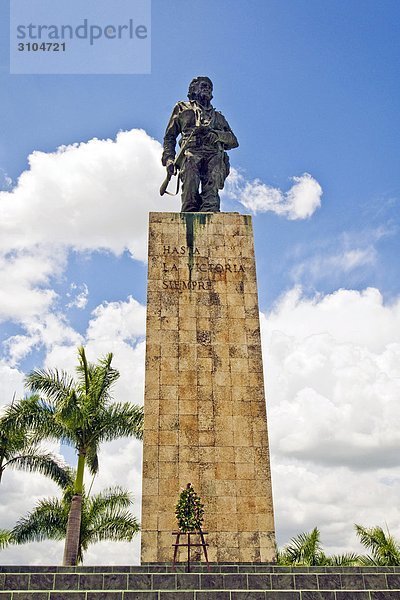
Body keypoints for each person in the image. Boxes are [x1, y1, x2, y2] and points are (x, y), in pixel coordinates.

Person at [161, 76, 239, 212]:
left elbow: (233, 141)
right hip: (190, 152)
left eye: (209, 87)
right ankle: (189, 216)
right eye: (204, 86)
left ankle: (210, 211)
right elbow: (170, 137)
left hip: (213, 154)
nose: (207, 89)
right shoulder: (182, 108)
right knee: (189, 194)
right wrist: (169, 159)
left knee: (211, 197)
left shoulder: (219, 117)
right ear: (193, 89)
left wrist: (216, 135)